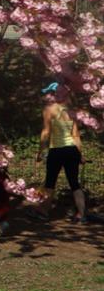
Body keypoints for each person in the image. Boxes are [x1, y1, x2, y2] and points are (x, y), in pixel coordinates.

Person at [39, 87, 87, 221]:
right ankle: (82, 215)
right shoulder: (72, 112)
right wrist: (80, 154)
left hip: (57, 150)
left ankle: (44, 212)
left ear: (55, 95)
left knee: (50, 182)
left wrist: (40, 150)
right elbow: (76, 135)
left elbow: (46, 132)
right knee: (75, 183)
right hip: (72, 150)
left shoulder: (49, 109)